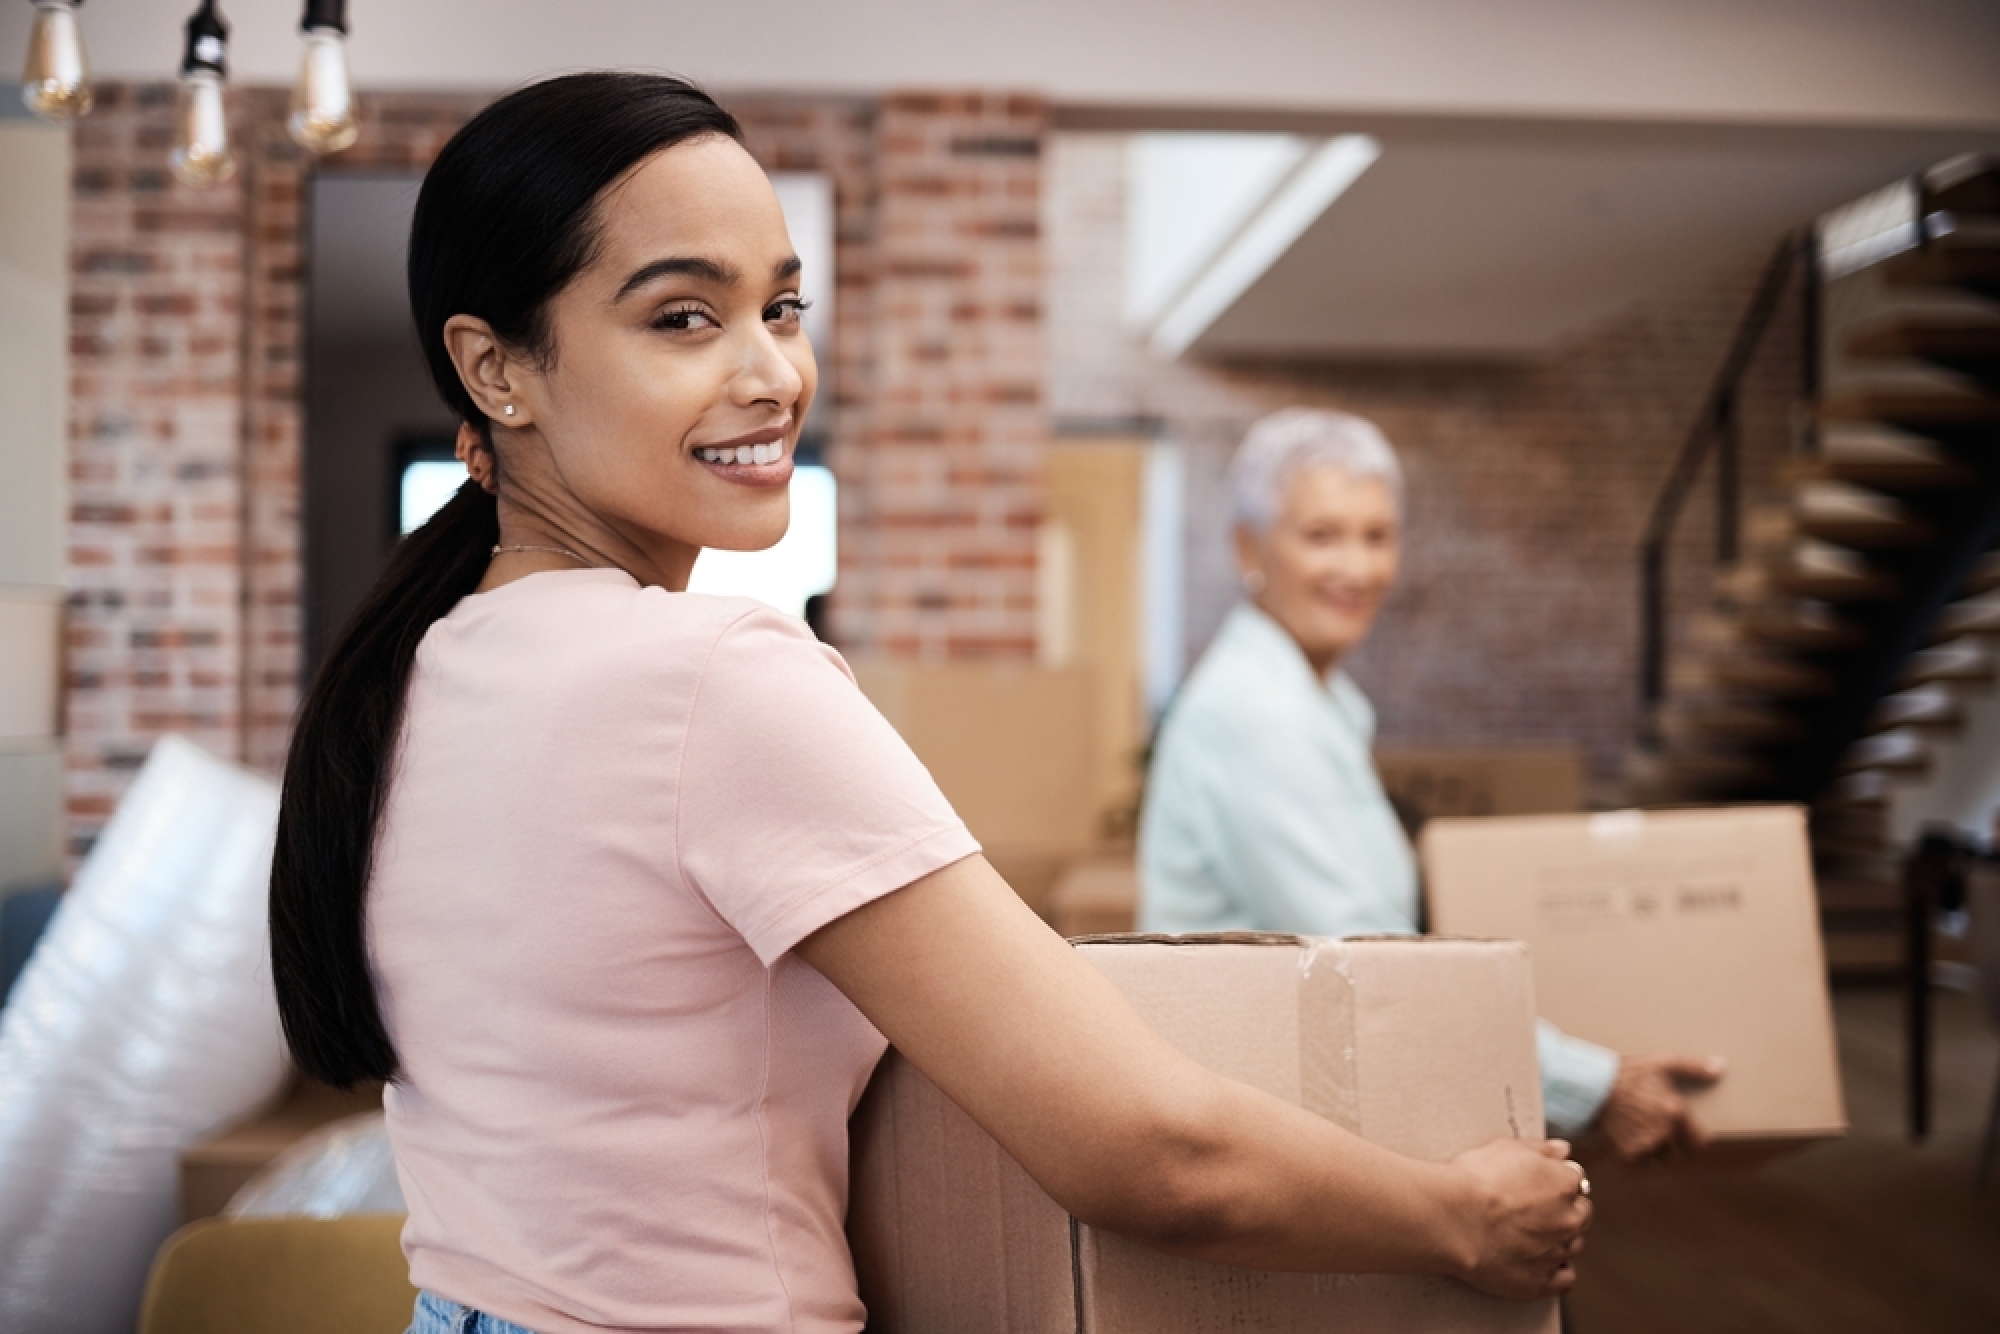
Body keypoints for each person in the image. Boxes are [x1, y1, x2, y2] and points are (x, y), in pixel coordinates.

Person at [268, 76, 1591, 1334]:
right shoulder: (714, 675)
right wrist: (1464, 1215)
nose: (772, 373)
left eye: (781, 308)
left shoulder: (429, 663)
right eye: (683, 316)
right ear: (499, 371)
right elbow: (1150, 1150)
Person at [1139, 408, 1724, 1160]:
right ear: (1250, 546)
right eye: (1322, 536)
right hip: (1263, 1117)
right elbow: (1372, 962)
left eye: (1376, 536)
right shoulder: (1259, 714)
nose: (1356, 568)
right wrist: (1594, 1082)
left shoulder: (1313, 702)